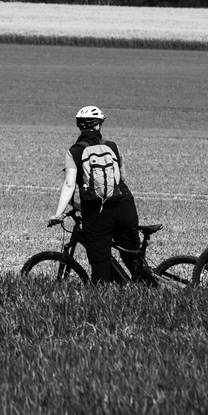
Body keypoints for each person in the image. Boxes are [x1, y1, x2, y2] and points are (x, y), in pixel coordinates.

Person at [49, 105, 154, 285]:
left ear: (79, 126)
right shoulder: (112, 146)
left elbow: (69, 184)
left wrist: (58, 213)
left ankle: (102, 304)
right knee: (132, 257)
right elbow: (122, 178)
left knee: (100, 264)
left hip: (98, 212)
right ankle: (151, 291)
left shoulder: (74, 151)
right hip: (125, 206)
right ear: (99, 126)